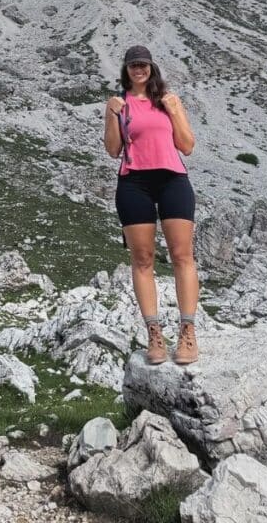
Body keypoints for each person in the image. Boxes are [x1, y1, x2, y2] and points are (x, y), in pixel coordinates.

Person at [104, 45, 199, 365]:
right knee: (142, 258)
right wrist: (112, 114)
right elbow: (113, 150)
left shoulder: (169, 100)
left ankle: (188, 332)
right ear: (126, 70)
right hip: (134, 183)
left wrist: (173, 110)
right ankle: (154, 334)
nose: (138, 70)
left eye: (143, 64)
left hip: (172, 178)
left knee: (182, 255)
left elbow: (187, 145)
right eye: (133, 66)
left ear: (151, 67)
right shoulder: (120, 104)